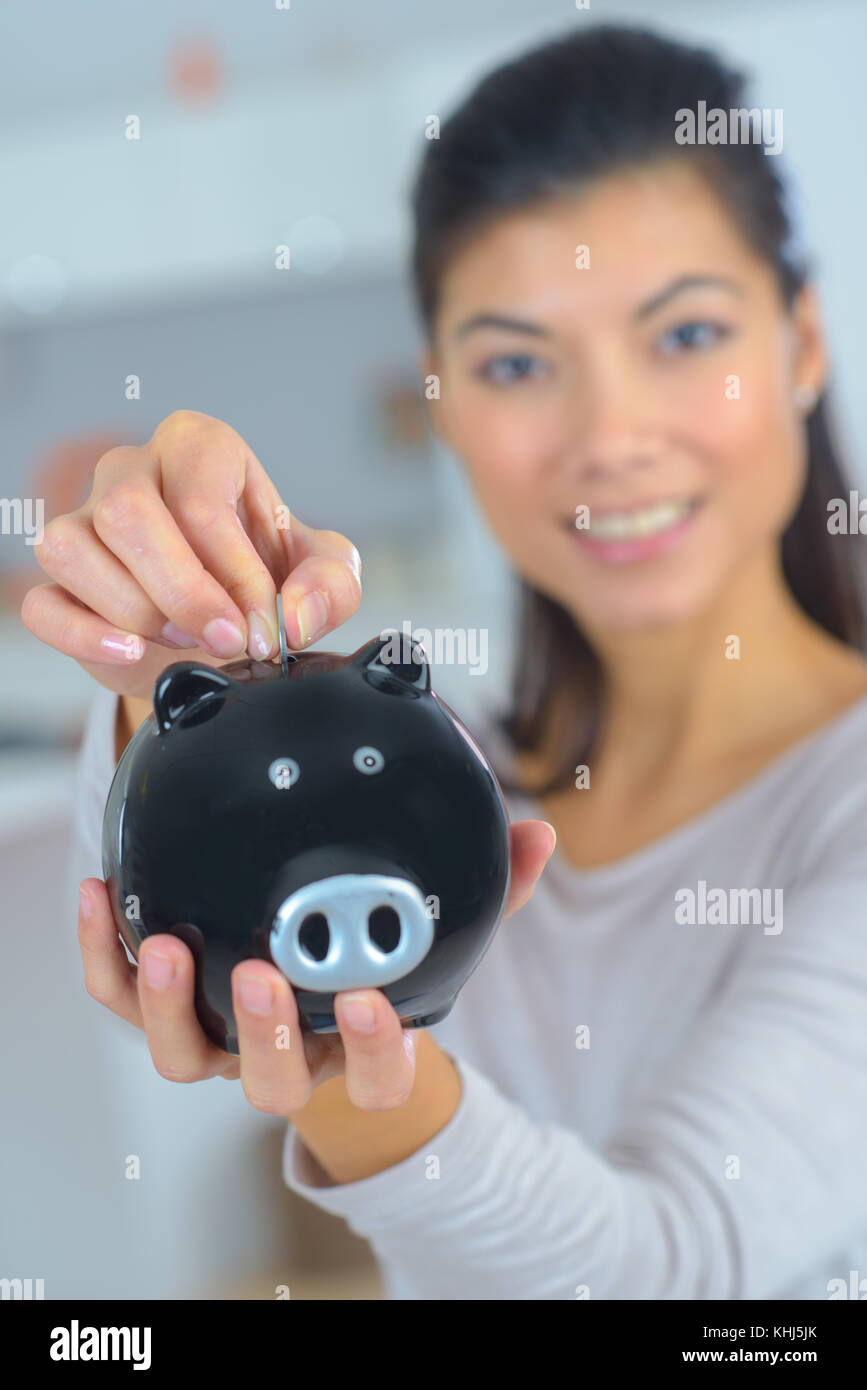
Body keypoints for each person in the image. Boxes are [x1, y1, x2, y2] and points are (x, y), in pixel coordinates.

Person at [22, 24, 867, 1300]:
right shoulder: (439, 774)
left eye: (685, 335)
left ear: (801, 345)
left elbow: (676, 1274)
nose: (612, 437)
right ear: (445, 404)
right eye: (517, 362)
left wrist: (350, 1077)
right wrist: (170, 663)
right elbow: (165, 866)